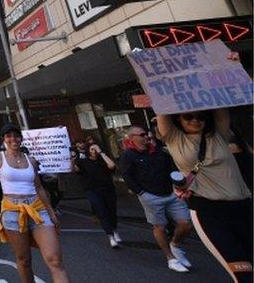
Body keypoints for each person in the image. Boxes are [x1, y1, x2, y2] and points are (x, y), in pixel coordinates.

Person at [158, 109, 253, 282]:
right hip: (210, 213)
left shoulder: (218, 134)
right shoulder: (174, 138)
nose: (195, 120)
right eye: (188, 116)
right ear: (178, 118)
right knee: (244, 274)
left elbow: (219, 105)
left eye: (201, 116)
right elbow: (162, 106)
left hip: (244, 208)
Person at [0, 122, 69, 283]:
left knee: (55, 259)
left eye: (16, 136)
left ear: (21, 138)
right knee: (24, 260)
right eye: (9, 136)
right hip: (12, 210)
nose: (13, 139)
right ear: (4, 139)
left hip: (37, 208)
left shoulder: (31, 160)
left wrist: (51, 212)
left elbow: (39, 187)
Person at [119, 125, 193, 273]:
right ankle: (170, 258)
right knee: (159, 227)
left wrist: (179, 184)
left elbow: (172, 168)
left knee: (186, 224)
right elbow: (127, 176)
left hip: (171, 193)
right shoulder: (128, 155)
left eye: (147, 134)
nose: (146, 137)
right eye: (142, 134)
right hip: (150, 196)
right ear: (132, 138)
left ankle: (175, 245)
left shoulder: (159, 151)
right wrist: (141, 193)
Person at [72, 141, 120, 248]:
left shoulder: (103, 161)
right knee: (101, 212)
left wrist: (102, 153)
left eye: (96, 149)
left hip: (108, 190)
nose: (94, 151)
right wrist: (71, 161)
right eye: (92, 149)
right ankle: (110, 236)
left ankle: (114, 230)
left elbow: (112, 166)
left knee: (112, 211)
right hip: (93, 191)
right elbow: (75, 170)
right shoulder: (84, 162)